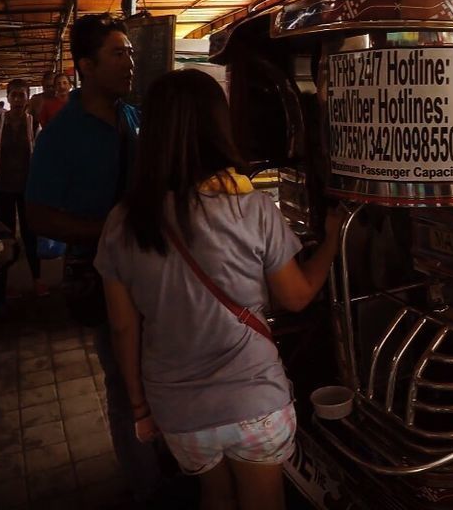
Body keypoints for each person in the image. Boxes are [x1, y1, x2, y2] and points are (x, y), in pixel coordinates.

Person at [97, 69, 342, 510]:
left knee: (215, 496)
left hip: (176, 410)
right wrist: (331, 242)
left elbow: (122, 327)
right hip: (252, 400)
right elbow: (297, 296)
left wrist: (139, 407)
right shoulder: (251, 207)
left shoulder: (122, 221)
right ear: (218, 126)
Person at [24, 13, 162, 502]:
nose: (130, 62)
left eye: (129, 52)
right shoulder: (62, 135)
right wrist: (106, 230)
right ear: (86, 65)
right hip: (104, 276)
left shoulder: (133, 116)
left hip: (150, 270)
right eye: (118, 53)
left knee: (158, 369)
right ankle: (144, 484)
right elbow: (38, 214)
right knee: (126, 382)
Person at [0, 79, 43, 296]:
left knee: (30, 233)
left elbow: (40, 158)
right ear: (7, 98)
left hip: (28, 188)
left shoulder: (34, 124)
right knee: (5, 236)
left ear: (27, 98)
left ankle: (37, 280)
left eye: (22, 95)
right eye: (14, 95)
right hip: (3, 187)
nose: (18, 99)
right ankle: (5, 285)